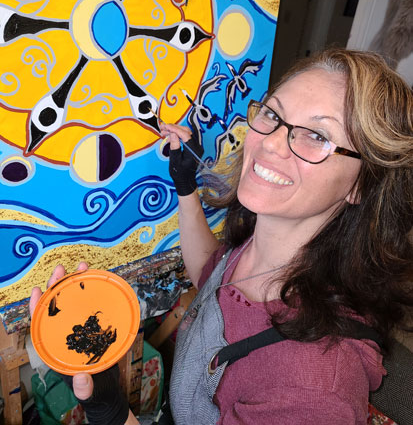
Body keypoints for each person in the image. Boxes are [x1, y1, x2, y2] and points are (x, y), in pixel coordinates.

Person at [30, 48, 413, 424]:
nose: (270, 143)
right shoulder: (261, 250)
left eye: (316, 135)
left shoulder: (312, 392)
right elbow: (211, 274)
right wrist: (185, 186)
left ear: (362, 184)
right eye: (273, 114)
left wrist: (109, 410)